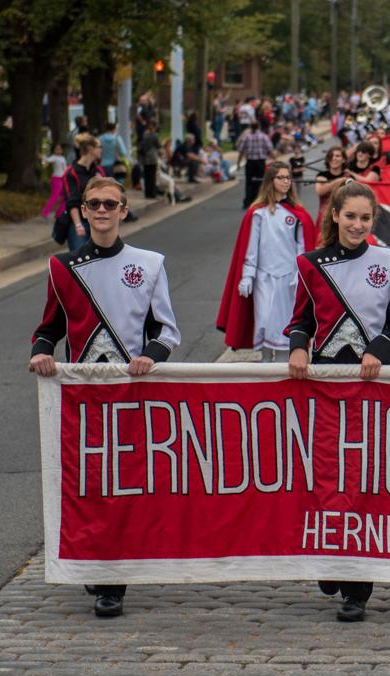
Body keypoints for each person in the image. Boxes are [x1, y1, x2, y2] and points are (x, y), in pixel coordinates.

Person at [29, 177, 180, 618]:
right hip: (83, 397)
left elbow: (166, 330)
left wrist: (148, 357)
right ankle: (95, 557)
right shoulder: (63, 268)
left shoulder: (149, 264)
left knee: (123, 483)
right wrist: (40, 353)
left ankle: (113, 579)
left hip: (130, 394)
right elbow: (48, 329)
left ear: (123, 209)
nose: (101, 211)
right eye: (93, 204)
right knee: (88, 482)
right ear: (86, 210)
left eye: (109, 204)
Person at [285, 182, 390, 622]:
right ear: (335, 216)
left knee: (363, 478)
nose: (357, 225)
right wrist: (298, 348)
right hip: (320, 385)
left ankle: (358, 585)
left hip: (368, 386)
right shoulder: (310, 264)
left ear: (372, 221)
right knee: (322, 474)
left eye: (365, 218)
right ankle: (330, 557)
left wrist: (378, 351)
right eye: (350, 216)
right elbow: (300, 318)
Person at [217, 162, 317, 356]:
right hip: (263, 278)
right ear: (271, 181)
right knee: (263, 321)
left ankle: (281, 363)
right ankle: (264, 361)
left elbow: (302, 248)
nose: (286, 181)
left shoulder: (298, 214)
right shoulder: (257, 213)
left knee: (284, 324)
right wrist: (247, 276)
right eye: (281, 177)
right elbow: (251, 248)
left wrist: (300, 274)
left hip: (289, 279)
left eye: (288, 177)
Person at [60, 134, 107, 252]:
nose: (101, 150)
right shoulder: (71, 172)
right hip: (80, 223)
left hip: (98, 222)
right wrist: (78, 225)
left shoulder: (98, 171)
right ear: (90, 149)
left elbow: (108, 196)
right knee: (81, 262)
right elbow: (72, 201)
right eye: (99, 147)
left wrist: (102, 183)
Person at [236, 122, 275, 209]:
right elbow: (269, 149)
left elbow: (241, 150)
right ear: (259, 126)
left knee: (249, 182)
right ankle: (260, 200)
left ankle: (248, 201)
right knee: (261, 181)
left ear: (251, 127)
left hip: (250, 162)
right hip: (260, 162)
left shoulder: (246, 137)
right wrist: (275, 159)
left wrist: (238, 163)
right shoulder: (263, 136)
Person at [315, 146, 348, 224]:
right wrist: (338, 182)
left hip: (345, 217)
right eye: (331, 156)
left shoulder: (348, 175)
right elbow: (320, 191)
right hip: (326, 217)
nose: (334, 158)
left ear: (343, 160)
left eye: (337, 156)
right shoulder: (322, 175)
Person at [40, 143, 67, 219]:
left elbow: (65, 169)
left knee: (65, 197)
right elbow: (46, 160)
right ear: (54, 150)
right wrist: (42, 156)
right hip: (56, 179)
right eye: (57, 149)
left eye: (60, 149)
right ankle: (45, 213)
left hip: (63, 179)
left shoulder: (63, 158)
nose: (58, 150)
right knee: (54, 196)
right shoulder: (54, 157)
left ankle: (60, 214)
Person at [138, 120, 161, 199]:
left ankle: (147, 193)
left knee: (147, 176)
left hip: (145, 158)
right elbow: (158, 146)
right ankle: (152, 193)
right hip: (153, 158)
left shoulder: (145, 135)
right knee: (152, 176)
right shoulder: (155, 135)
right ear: (155, 127)